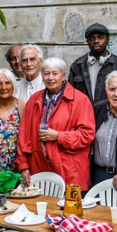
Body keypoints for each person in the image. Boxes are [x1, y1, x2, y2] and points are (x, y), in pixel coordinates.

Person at [17, 58, 96, 190]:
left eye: (55, 73)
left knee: (69, 209)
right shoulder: (34, 100)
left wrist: (58, 136)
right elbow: (24, 136)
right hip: (40, 169)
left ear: (63, 75)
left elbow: (87, 135)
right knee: (41, 209)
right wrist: (23, 165)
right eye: (46, 74)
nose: (50, 78)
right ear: (42, 77)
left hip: (69, 171)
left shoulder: (80, 100)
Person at [68, 23, 117, 104]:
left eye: (100, 37)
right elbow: (70, 94)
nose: (96, 41)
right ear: (87, 41)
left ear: (108, 39)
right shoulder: (77, 65)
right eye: (91, 38)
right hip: (83, 113)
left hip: (109, 114)